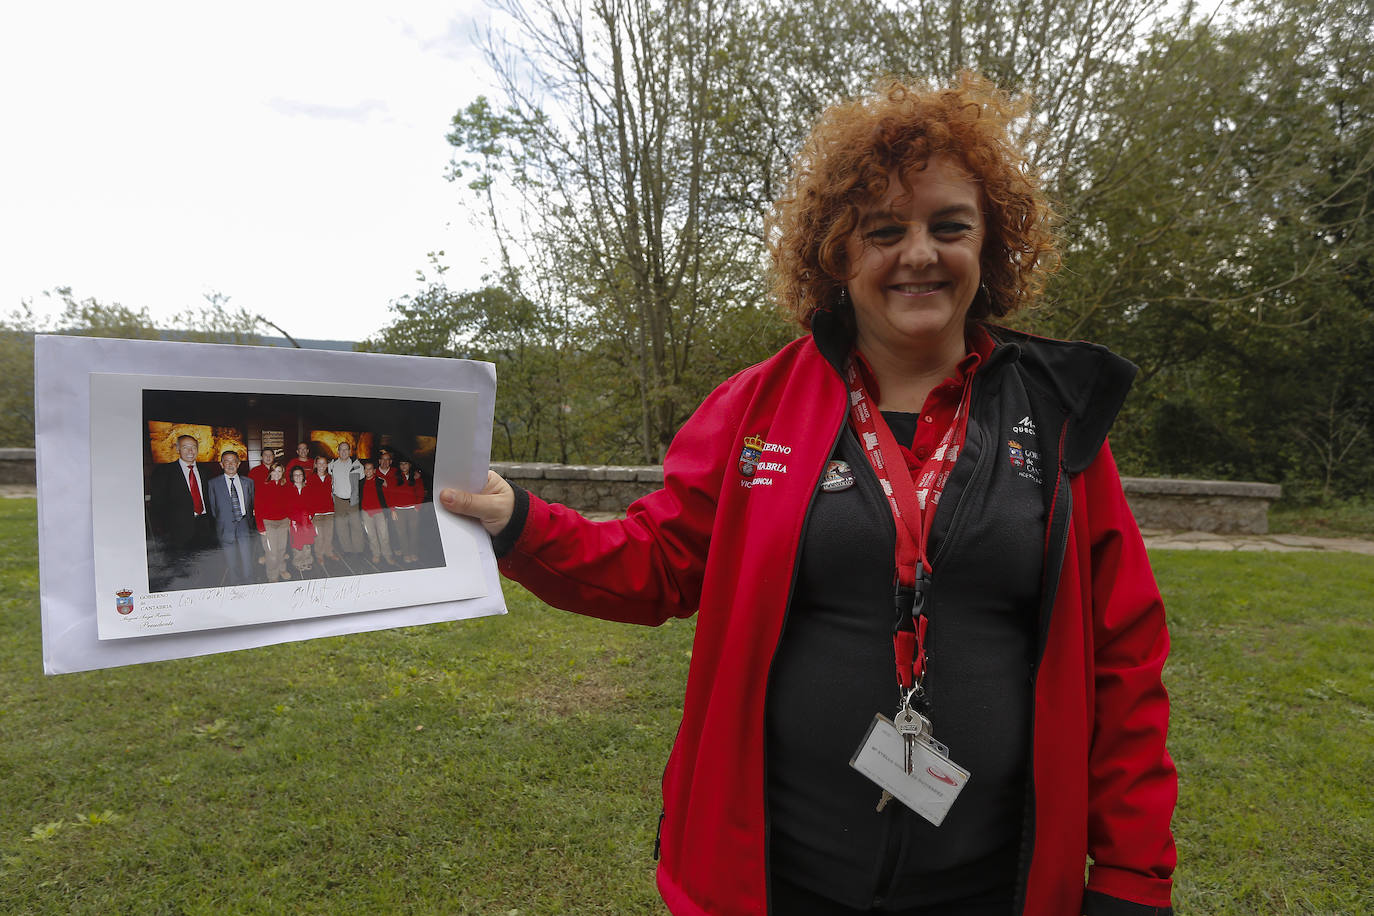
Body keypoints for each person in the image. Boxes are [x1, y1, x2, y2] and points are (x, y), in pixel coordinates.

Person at [440, 74, 1176, 916]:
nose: (919, 254)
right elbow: (658, 564)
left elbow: (1125, 657)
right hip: (783, 877)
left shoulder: (1057, 414)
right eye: (883, 231)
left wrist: (1130, 876)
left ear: (991, 243)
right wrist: (518, 523)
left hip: (994, 882)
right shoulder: (757, 406)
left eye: (950, 226)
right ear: (838, 252)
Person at [147, 433, 216, 590]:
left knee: (206, 567)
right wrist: (165, 531)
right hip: (179, 532)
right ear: (177, 448)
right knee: (183, 571)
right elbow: (158, 506)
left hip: (204, 527)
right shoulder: (164, 472)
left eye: (193, 447)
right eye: (185, 447)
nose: (190, 451)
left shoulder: (206, 471)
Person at [205, 449, 256, 585]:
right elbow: (213, 508)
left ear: (238, 464)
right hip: (225, 525)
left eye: (233, 461)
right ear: (221, 464)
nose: (230, 464)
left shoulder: (249, 482)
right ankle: (234, 583)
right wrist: (223, 521)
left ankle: (249, 582)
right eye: (226, 461)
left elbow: (251, 504)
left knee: (247, 557)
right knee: (230, 558)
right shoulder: (213, 484)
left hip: (244, 524)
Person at [255, 461, 292, 581]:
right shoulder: (263, 486)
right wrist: (261, 527)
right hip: (268, 523)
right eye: (274, 470)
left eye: (279, 471)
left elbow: (289, 505)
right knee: (272, 553)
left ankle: (282, 569)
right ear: (270, 472)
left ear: (282, 473)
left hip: (283, 523)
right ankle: (272, 575)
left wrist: (290, 520)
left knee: (281, 549)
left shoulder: (286, 486)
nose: (276, 473)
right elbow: (258, 508)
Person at [328, 442, 365, 555]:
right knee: (341, 527)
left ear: (350, 451)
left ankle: (358, 550)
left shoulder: (357, 464)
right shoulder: (332, 465)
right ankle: (347, 549)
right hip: (338, 500)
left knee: (356, 526)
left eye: (346, 449)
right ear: (338, 452)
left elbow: (363, 478)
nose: (343, 452)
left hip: (352, 500)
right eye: (341, 450)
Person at [359, 458, 395, 566]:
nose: (368, 471)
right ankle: (376, 554)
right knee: (371, 536)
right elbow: (358, 499)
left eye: (370, 469)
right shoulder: (360, 483)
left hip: (379, 512)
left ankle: (387, 555)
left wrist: (392, 510)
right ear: (364, 470)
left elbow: (388, 497)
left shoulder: (381, 482)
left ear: (374, 470)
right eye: (366, 469)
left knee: (384, 535)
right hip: (366, 513)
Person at [391, 456, 424, 563]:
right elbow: (390, 494)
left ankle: (413, 552)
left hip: (412, 509)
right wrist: (392, 510)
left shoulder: (415, 477)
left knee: (414, 532)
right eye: (401, 464)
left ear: (410, 465)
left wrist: (418, 507)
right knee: (402, 533)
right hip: (399, 510)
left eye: (405, 463)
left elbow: (420, 492)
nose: (403, 466)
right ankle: (406, 553)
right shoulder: (395, 477)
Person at [307, 455, 339, 561]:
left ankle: (328, 552)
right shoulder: (310, 478)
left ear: (327, 465)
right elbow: (308, 496)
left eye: (324, 463)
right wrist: (309, 513)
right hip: (316, 513)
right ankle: (319, 554)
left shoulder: (330, 477)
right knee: (319, 536)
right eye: (319, 463)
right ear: (316, 465)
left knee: (329, 534)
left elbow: (333, 493)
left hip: (329, 511)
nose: (321, 465)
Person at [285, 465, 316, 572]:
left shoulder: (308, 488)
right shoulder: (288, 489)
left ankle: (307, 561)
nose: (298, 477)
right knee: (297, 543)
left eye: (300, 474)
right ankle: (298, 562)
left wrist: (311, 515)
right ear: (292, 477)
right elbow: (286, 506)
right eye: (295, 475)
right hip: (294, 521)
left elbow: (313, 504)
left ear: (303, 476)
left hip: (306, 520)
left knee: (307, 543)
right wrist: (292, 518)